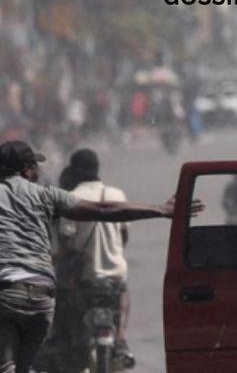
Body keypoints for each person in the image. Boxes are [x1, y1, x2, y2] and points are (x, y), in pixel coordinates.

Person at [0, 140, 203, 373]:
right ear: (26, 169)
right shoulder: (46, 195)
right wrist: (161, 209)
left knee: (7, 365)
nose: (37, 172)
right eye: (35, 166)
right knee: (23, 366)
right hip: (41, 297)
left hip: (6, 293)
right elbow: (104, 210)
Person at [54, 149, 136, 367]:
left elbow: (65, 242)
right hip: (114, 274)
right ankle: (120, 338)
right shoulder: (117, 195)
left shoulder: (71, 197)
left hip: (84, 276)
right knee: (124, 290)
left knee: (64, 308)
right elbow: (124, 235)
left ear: (74, 170)